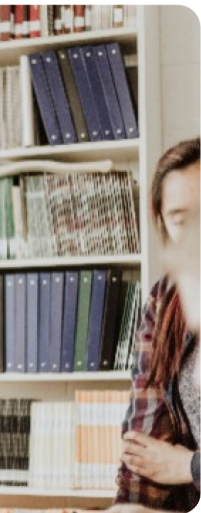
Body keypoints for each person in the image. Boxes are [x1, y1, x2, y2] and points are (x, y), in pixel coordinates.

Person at [115, 137, 201, 512]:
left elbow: (173, 463)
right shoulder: (166, 300)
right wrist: (130, 506)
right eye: (182, 220)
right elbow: (144, 447)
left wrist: (188, 466)